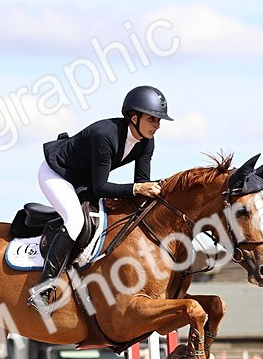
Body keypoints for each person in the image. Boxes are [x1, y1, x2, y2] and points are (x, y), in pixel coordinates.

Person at [28, 85, 173, 313]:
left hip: (84, 179)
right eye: (152, 119)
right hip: (57, 173)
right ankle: (43, 289)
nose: (157, 125)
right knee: (75, 221)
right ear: (133, 117)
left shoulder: (146, 141)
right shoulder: (105, 136)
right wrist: (137, 188)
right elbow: (102, 187)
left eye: (159, 120)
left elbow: (141, 183)